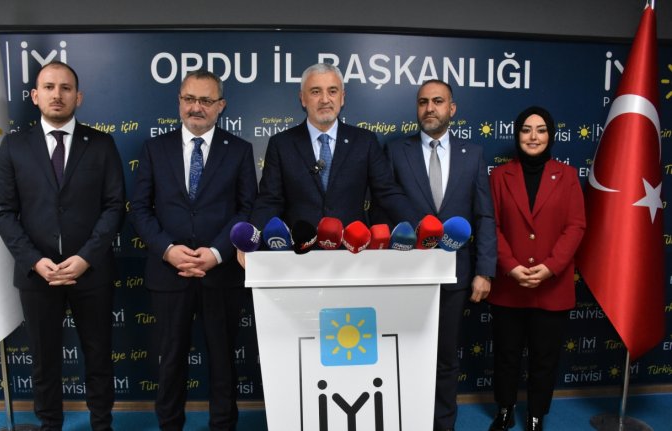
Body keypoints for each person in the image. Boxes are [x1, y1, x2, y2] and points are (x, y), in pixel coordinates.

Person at [0, 61, 125, 431]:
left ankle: (102, 423)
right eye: (49, 87)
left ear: (78, 97)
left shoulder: (102, 145)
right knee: (44, 359)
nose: (57, 95)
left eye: (66, 88)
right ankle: (50, 424)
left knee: (99, 356)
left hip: (91, 272)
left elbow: (115, 206)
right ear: (35, 96)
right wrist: (35, 261)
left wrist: (85, 258)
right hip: (38, 275)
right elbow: (2, 211)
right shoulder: (14, 146)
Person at [130, 70, 257, 431]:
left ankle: (223, 425)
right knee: (170, 359)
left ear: (221, 106)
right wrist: (168, 249)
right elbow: (139, 209)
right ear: (179, 102)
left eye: (205, 100)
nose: (196, 107)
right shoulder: (155, 149)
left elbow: (248, 209)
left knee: (223, 360)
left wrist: (216, 253)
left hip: (222, 273)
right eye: (189, 99)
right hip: (169, 272)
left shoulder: (240, 150)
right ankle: (169, 424)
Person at [377, 79, 496, 431]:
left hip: (456, 274)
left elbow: (484, 215)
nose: (430, 108)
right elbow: (382, 210)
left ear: (452, 108)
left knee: (446, 358)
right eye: (423, 102)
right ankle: (406, 421)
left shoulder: (473, 154)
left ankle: (443, 424)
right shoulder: (395, 151)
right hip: (405, 274)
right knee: (405, 354)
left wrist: (485, 271)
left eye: (438, 101)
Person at [487, 106, 585, 431]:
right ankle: (504, 409)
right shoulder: (499, 176)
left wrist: (551, 267)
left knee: (545, 357)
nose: (533, 136)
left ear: (550, 135)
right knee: (506, 354)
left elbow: (576, 226)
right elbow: (491, 226)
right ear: (517, 134)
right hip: (509, 284)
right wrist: (511, 266)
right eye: (526, 129)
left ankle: (535, 415)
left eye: (541, 130)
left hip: (552, 286)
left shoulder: (567, 176)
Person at [247, 62, 418, 235]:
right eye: (316, 92)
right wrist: (252, 237)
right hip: (300, 247)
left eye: (332, 91)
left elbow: (387, 193)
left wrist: (418, 228)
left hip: (351, 246)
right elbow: (270, 201)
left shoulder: (365, 141)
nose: (325, 99)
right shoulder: (281, 144)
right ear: (302, 98)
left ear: (342, 97)